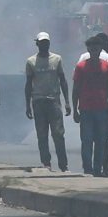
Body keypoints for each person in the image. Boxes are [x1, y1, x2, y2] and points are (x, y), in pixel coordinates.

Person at [24, 31, 70, 171]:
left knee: (58, 134)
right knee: (42, 135)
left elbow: (63, 80)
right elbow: (28, 84)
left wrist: (67, 101)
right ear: (37, 44)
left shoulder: (57, 59)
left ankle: (63, 165)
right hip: (38, 101)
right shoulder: (31, 61)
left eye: (46, 43)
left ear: (49, 43)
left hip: (53, 101)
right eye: (41, 43)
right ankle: (46, 163)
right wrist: (27, 105)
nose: (44, 45)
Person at [73, 34, 108, 177]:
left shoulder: (106, 66)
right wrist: (75, 109)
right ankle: (88, 168)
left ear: (100, 49)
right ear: (88, 50)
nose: (94, 52)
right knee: (86, 140)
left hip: (102, 108)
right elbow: (76, 88)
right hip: (85, 109)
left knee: (100, 140)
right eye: (91, 49)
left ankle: (97, 168)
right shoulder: (80, 67)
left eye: (96, 49)